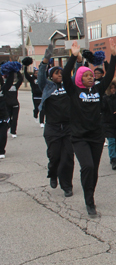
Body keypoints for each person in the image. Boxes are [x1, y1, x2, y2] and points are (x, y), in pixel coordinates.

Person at [63, 39, 116, 216]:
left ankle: (90, 196)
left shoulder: (97, 90)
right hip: (79, 137)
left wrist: (114, 56)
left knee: (93, 169)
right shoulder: (73, 91)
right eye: (86, 75)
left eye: (91, 75)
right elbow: (65, 75)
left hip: (96, 136)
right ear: (80, 78)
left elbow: (109, 77)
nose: (90, 77)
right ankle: (89, 202)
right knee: (87, 166)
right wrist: (73, 56)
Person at [38, 44, 75, 197]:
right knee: (54, 156)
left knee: (67, 158)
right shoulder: (47, 86)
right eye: (57, 73)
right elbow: (41, 75)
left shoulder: (68, 86)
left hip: (68, 127)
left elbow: (77, 73)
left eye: (61, 73)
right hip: (52, 127)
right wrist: (45, 60)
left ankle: (67, 185)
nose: (60, 75)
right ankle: (53, 174)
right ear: (51, 76)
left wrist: (77, 58)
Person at [0, 63, 18, 158]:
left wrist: (11, 71)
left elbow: (9, 82)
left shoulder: (3, 90)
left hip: (2, 117)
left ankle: (1, 151)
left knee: (3, 135)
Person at [22, 58, 45, 128]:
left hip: (42, 96)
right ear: (34, 73)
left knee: (42, 109)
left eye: (38, 73)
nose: (37, 74)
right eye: (35, 73)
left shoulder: (41, 78)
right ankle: (35, 114)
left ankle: (41, 122)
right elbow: (26, 74)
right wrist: (25, 67)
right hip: (35, 96)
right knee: (37, 108)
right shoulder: (31, 79)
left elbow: (46, 73)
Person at [4, 69, 23, 138]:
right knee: (8, 119)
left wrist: (17, 70)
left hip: (15, 104)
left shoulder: (15, 86)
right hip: (7, 105)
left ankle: (13, 131)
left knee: (15, 119)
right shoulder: (4, 87)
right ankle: (9, 126)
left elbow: (20, 79)